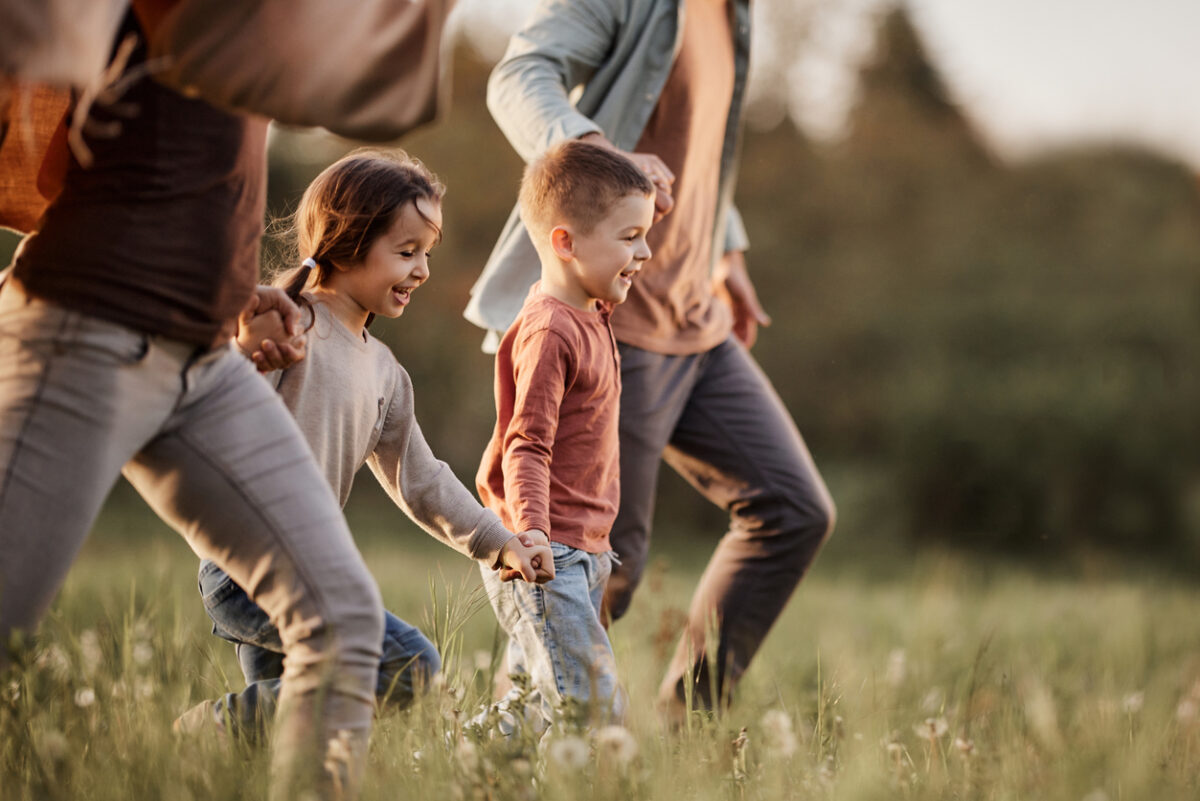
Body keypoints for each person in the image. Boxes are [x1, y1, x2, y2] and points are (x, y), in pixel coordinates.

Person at [0, 10, 412, 799]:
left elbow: (184, 165)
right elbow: (349, 89)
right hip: (83, 331)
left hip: (199, 355)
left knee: (343, 622)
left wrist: (227, 289)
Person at [464, 0, 837, 717]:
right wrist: (599, 154)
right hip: (612, 328)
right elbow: (518, 74)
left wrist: (724, 250)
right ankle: (512, 758)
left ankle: (685, 727)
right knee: (598, 568)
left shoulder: (736, 14)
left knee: (792, 509)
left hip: (698, 316)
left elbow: (700, 148)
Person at [179, 150, 555, 739]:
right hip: (247, 564)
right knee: (407, 666)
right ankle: (208, 730)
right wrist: (245, 345)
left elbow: (422, 479)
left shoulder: (385, 373)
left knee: (292, 740)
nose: (423, 270)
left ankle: (221, 747)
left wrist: (498, 543)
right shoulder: (288, 325)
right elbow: (216, 408)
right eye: (407, 253)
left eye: (426, 253)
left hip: (305, 564)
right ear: (347, 243)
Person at [474, 140, 655, 732]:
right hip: (549, 554)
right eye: (630, 237)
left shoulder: (592, 311)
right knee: (594, 714)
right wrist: (531, 534)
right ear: (565, 243)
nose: (645, 251)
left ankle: (458, 772)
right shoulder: (551, 329)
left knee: (531, 707)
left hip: (585, 551)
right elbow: (526, 443)